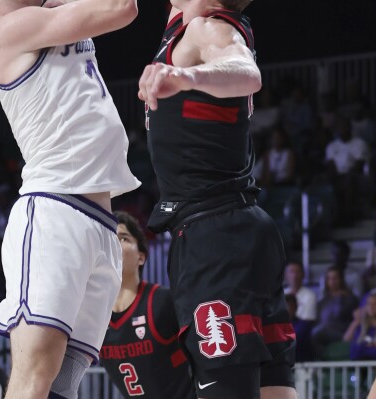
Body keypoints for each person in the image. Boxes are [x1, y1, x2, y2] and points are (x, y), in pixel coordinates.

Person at [0, 0, 141, 397]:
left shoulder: (50, 17)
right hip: (55, 213)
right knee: (34, 377)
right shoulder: (12, 30)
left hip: (98, 221)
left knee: (62, 386)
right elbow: (122, 7)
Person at [137, 0, 297, 397]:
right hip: (237, 226)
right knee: (276, 389)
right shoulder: (183, 23)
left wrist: (183, 75)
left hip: (216, 239)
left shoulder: (208, 26)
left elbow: (247, 71)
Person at [101, 211, 195, 398]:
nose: (114, 243)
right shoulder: (94, 316)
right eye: (109, 239)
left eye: (123, 238)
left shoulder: (162, 301)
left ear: (141, 257)